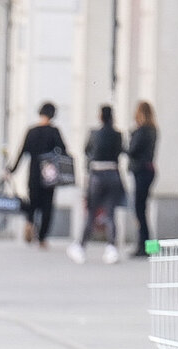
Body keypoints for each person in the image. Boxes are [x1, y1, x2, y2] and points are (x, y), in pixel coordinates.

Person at [68, 104, 126, 265]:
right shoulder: (118, 135)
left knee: (92, 211)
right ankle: (111, 248)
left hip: (97, 174)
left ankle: (81, 246)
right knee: (110, 213)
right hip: (113, 173)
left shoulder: (94, 134)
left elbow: (87, 151)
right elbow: (120, 151)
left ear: (100, 116)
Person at [8, 102, 67, 249]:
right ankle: (42, 238)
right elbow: (64, 151)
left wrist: (12, 170)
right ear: (53, 115)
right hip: (49, 173)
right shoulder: (54, 132)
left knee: (33, 201)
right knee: (47, 205)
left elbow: (21, 152)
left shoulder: (31, 131)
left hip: (33, 171)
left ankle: (29, 222)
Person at [127, 100, 158, 257]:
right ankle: (146, 245)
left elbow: (132, 150)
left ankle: (144, 245)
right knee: (142, 209)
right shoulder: (153, 129)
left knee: (139, 210)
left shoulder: (142, 131)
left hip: (141, 171)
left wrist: (131, 135)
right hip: (148, 170)